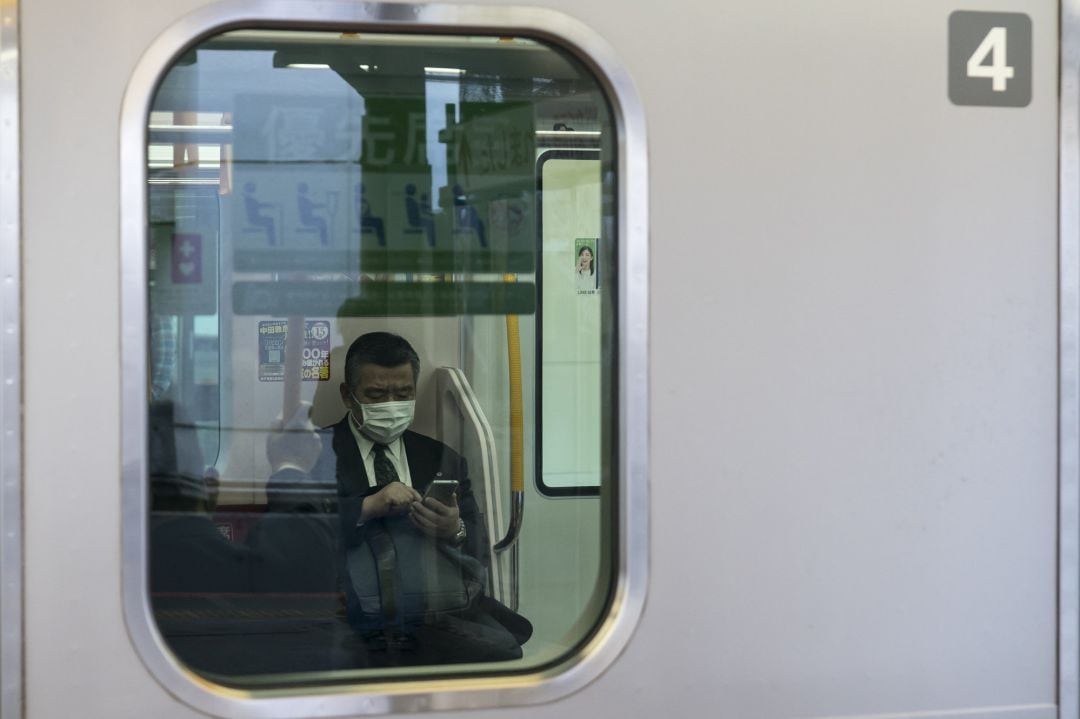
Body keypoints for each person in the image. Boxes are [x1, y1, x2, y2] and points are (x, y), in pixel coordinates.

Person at [264, 332, 529, 666]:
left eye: (403, 394)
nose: (391, 404)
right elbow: (288, 538)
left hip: (434, 615)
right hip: (348, 618)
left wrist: (453, 528)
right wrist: (365, 508)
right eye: (376, 395)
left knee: (505, 657)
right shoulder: (313, 451)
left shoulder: (440, 458)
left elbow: (479, 546)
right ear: (349, 396)